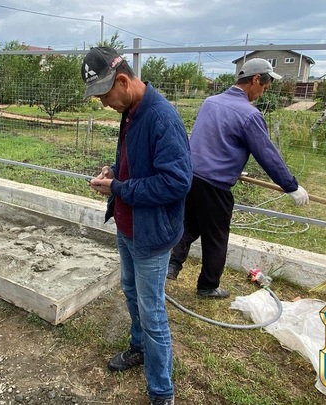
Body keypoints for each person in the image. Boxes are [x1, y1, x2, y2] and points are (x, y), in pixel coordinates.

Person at [82, 47, 192, 405]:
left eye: (103, 96)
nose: (103, 104)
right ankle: (137, 347)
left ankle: (162, 392)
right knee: (131, 293)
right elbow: (138, 166)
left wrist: (119, 188)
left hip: (152, 233)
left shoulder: (162, 118)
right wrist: (114, 174)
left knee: (153, 312)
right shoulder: (130, 111)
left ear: (123, 81)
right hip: (128, 225)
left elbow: (177, 182)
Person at [167, 58, 310, 298]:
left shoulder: (211, 102)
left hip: (190, 175)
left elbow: (208, 139)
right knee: (216, 237)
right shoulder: (249, 114)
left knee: (188, 225)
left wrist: (233, 166)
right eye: (264, 87)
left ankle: (172, 266)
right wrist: (290, 186)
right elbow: (266, 154)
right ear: (255, 80)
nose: (264, 92)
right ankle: (208, 287)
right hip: (215, 185)